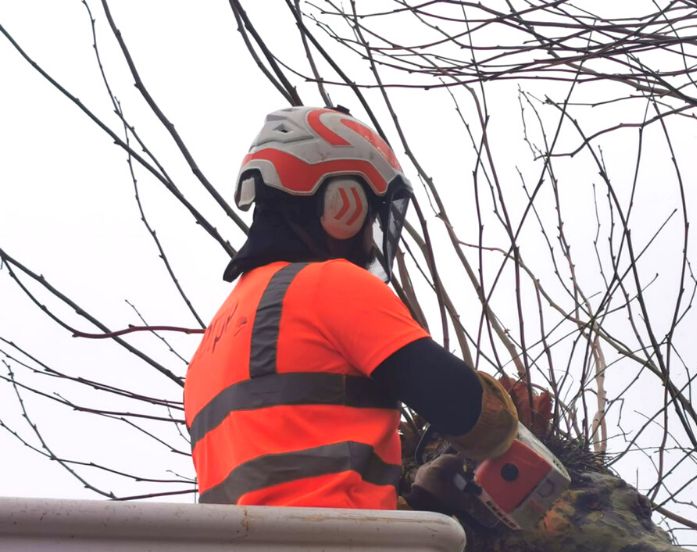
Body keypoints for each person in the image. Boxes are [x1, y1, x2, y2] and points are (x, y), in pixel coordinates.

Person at [183, 106, 518, 510]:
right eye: (372, 216)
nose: (370, 239)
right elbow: (478, 420)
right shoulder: (330, 285)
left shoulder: (207, 350)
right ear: (344, 204)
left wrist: (424, 503)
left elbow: (289, 486)